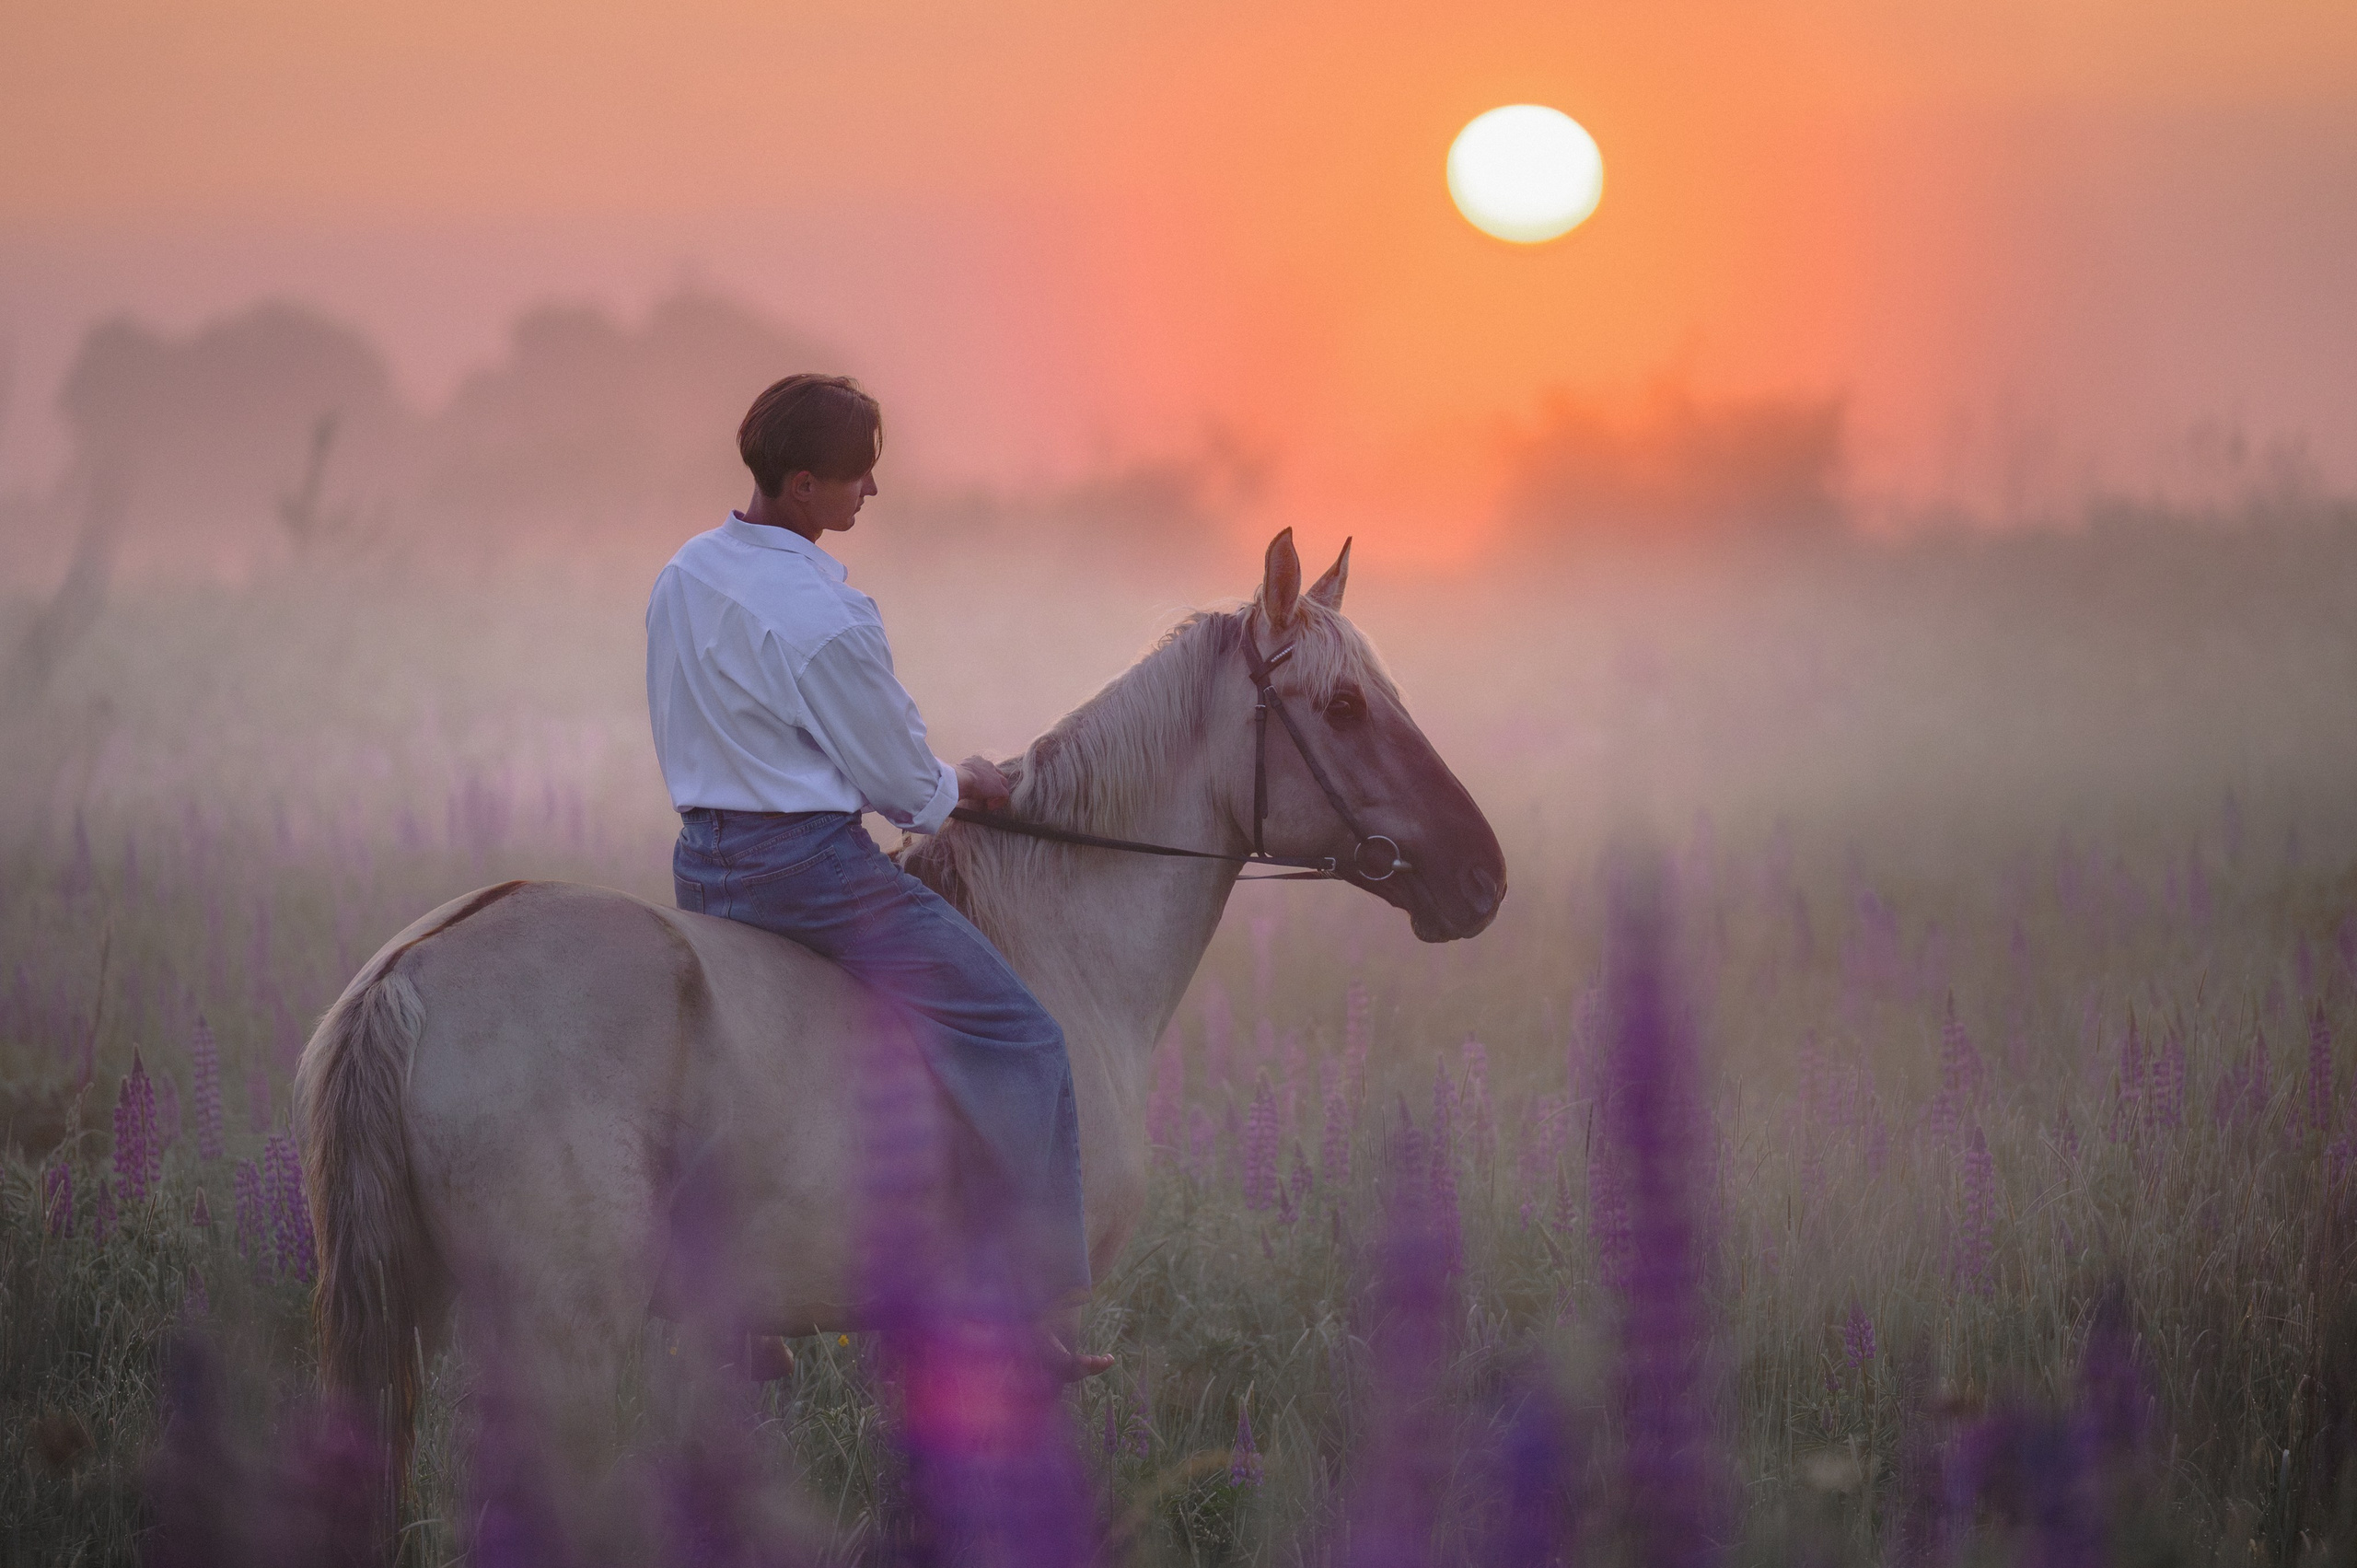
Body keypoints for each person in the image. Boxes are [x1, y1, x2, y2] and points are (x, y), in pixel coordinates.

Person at [644, 373, 1109, 1377]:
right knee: (1020, 1037)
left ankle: (728, 1300)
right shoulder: (828, 616)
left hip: (701, 863)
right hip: (807, 874)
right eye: (858, 475)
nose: (872, 490)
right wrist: (965, 781)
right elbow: (904, 789)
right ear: (803, 485)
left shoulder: (683, 573)